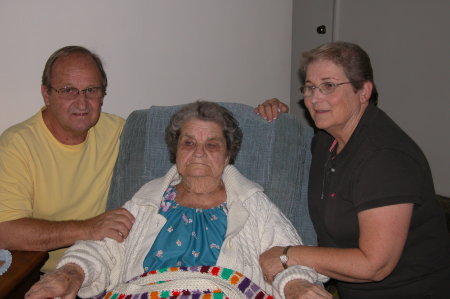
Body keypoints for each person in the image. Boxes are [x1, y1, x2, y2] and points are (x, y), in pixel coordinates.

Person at [25, 101, 331, 299]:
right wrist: (70, 273)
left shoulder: (253, 204)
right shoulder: (145, 202)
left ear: (228, 153)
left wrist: (297, 286)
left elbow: (291, 257)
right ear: (176, 151)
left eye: (212, 144)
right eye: (189, 142)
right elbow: (99, 251)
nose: (198, 152)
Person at [257, 42, 450, 298]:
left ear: (363, 91)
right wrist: (277, 116)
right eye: (310, 87)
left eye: (328, 86)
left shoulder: (386, 159)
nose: (315, 98)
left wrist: (287, 255)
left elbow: (375, 265)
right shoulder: (328, 138)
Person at [0, 46, 135, 272]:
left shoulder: (120, 132)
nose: (82, 103)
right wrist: (87, 229)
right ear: (47, 94)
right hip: (43, 275)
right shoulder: (17, 145)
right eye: (68, 90)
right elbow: (6, 231)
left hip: (106, 269)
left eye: (91, 90)